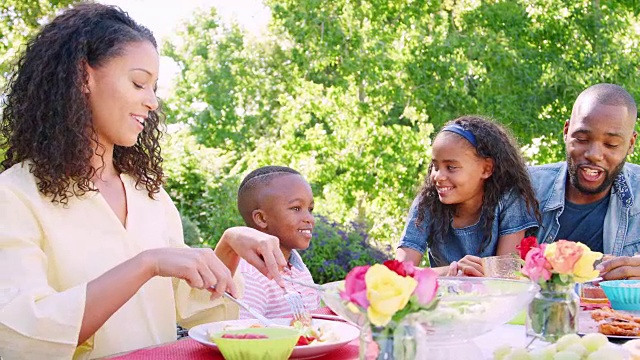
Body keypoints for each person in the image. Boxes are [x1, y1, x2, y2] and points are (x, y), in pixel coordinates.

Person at [0, 4, 288, 359]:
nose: (152, 102)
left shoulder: (148, 195)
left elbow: (196, 310)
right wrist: (145, 264)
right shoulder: (14, 195)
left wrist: (227, 248)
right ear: (82, 77)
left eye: (154, 87)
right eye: (139, 82)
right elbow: (21, 335)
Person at [396, 115, 540, 276]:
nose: (437, 176)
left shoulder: (509, 200)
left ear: (486, 169)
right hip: (445, 298)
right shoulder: (427, 202)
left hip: (495, 299)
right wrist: (454, 271)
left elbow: (508, 275)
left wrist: (473, 275)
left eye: (451, 167)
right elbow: (400, 272)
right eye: (435, 166)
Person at [529, 83, 640, 280]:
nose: (594, 155)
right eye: (581, 139)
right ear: (566, 132)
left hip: (616, 311)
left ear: (630, 144)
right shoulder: (527, 187)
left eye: (611, 144)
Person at [236, 166, 320, 319]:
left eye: (310, 209)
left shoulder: (297, 265)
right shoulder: (249, 276)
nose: (310, 218)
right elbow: (245, 336)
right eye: (296, 208)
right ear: (261, 219)